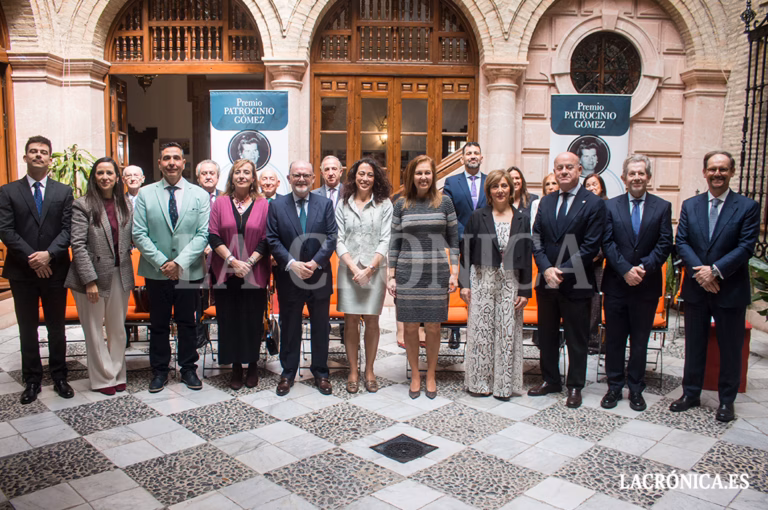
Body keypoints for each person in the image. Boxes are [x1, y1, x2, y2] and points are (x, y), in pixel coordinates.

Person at [671, 150, 760, 422]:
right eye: (712, 169)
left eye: (722, 169)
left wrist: (716, 272)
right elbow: (682, 242)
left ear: (731, 172)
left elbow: (746, 246)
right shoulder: (691, 205)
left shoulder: (747, 207)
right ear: (704, 172)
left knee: (730, 347)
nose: (717, 174)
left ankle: (726, 401)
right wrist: (702, 274)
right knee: (694, 344)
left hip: (729, 289)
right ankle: (691, 393)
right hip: (698, 288)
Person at [0, 136, 74, 404]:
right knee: (28, 328)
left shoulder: (63, 192)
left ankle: (60, 376)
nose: (38, 155)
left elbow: (68, 229)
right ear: (25, 157)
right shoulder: (8, 191)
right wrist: (33, 258)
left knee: (57, 327)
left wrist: (49, 255)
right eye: (33, 151)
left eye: (43, 152)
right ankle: (32, 380)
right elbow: (5, 230)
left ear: (50, 159)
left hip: (55, 270)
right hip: (22, 271)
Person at [528, 152, 606, 408]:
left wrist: (561, 270)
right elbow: (536, 238)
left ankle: (574, 386)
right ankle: (551, 380)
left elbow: (590, 245)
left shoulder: (593, 203)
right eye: (559, 167)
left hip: (577, 281)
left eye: (569, 167)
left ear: (579, 169)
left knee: (576, 337)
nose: (563, 172)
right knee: (546, 335)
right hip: (546, 280)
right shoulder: (546, 202)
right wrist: (546, 268)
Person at [133, 142, 210, 393]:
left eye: (176, 158)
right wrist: (163, 263)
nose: (172, 162)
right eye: (167, 158)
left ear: (184, 163)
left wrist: (179, 263)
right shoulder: (145, 194)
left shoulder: (199, 194)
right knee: (159, 323)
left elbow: (203, 234)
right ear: (159, 163)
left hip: (188, 270)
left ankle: (188, 369)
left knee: (189, 321)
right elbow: (139, 233)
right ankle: (160, 371)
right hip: (156, 271)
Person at [601, 155, 673, 411]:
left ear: (648, 177)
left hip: (647, 285)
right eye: (632, 173)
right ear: (624, 178)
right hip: (616, 285)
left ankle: (636, 388)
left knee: (640, 341)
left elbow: (665, 243)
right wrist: (625, 270)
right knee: (615, 340)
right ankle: (614, 387)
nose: (637, 178)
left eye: (641, 173)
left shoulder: (662, 207)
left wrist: (642, 268)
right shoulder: (610, 207)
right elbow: (606, 242)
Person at [388, 155, 459, 400]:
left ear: (433, 175)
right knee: (409, 326)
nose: (424, 177)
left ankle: (431, 374)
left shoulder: (445, 203)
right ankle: (415, 375)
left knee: (433, 326)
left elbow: (455, 240)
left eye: (427, 173)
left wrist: (455, 271)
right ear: (411, 176)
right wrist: (391, 275)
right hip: (408, 273)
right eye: (419, 173)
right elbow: (394, 242)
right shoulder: (401, 204)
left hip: (436, 274)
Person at [267, 160, 337, 396]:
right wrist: (292, 264)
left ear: (313, 179)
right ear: (288, 178)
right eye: (296, 175)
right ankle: (288, 373)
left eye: (306, 175)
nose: (301, 179)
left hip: (319, 276)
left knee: (320, 327)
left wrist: (315, 262)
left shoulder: (325, 204)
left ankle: (321, 373)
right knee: (290, 328)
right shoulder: (277, 206)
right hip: (290, 277)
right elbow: (272, 238)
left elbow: (331, 236)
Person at [460, 169, 532, 399]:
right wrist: (465, 284)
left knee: (507, 332)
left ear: (511, 189)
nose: (500, 190)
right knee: (482, 333)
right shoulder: (478, 215)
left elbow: (527, 253)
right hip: (482, 280)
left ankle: (504, 385)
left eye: (504, 186)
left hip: (511, 281)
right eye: (495, 186)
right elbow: (466, 253)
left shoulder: (522, 218)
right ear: (488, 191)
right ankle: (480, 383)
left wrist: (525, 289)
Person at [65, 157, 134, 395]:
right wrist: (89, 281)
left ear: (117, 178)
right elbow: (78, 245)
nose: (105, 177)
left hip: (120, 274)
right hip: (90, 278)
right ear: (94, 177)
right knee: (94, 330)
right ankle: (103, 379)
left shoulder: (125, 204)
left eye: (110, 173)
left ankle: (117, 373)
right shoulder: (82, 204)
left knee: (117, 329)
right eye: (100, 173)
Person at [209, 159, 270, 390]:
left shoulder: (264, 204)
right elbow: (213, 235)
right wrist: (233, 261)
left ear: (253, 178)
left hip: (255, 273)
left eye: (247, 172)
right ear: (231, 177)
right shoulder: (220, 203)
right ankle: (235, 366)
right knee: (229, 320)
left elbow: (267, 238)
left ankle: (252, 364)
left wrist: (249, 262)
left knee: (253, 321)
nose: (242, 176)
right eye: (238, 172)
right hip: (226, 272)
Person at [335, 158, 393, 394]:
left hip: (375, 270)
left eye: (370, 174)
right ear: (354, 177)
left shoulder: (385, 204)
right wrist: (353, 268)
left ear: (375, 178)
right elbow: (338, 239)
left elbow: (386, 239)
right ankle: (353, 371)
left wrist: (369, 269)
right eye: (361, 174)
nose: (365, 178)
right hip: (348, 270)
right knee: (350, 320)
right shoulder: (343, 204)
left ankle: (369, 370)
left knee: (371, 320)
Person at [196, 159, 221, 346]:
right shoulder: (192, 197)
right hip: (197, 257)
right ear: (198, 178)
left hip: (221, 257)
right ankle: (200, 337)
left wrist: (214, 245)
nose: (208, 176)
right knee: (198, 297)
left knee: (221, 296)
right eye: (204, 173)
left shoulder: (226, 198)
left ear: (218, 177)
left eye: (212, 173)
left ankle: (225, 336)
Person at [584, 173, 609, 353]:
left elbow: (606, 236)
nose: (591, 187)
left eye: (595, 184)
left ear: (601, 187)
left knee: (595, 302)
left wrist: (595, 254)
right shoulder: (581, 206)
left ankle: (593, 341)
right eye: (588, 185)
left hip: (597, 262)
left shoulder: (607, 206)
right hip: (579, 262)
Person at [442, 142, 486, 240]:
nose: (473, 156)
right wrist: (464, 235)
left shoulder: (490, 182)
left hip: (487, 240)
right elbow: (448, 212)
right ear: (462, 160)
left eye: (476, 153)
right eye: (469, 153)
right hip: (461, 241)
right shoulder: (451, 182)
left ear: (481, 159)